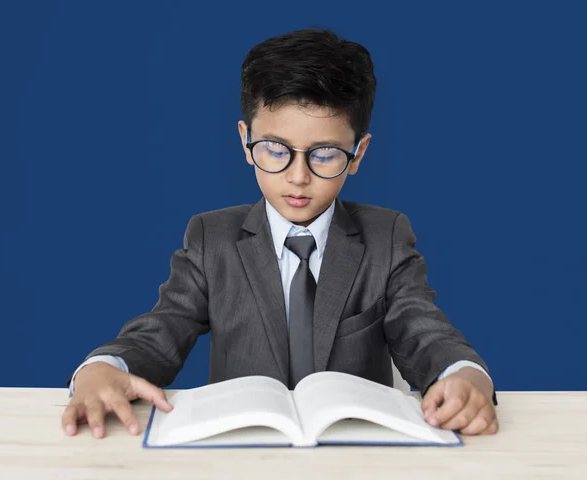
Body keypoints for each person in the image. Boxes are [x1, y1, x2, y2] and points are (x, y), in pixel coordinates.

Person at [62, 28, 498, 439]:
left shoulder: (386, 237)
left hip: (356, 452)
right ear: (245, 140)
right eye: (275, 150)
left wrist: (462, 373)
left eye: (325, 155)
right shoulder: (211, 238)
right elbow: (162, 330)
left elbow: (423, 331)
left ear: (358, 153)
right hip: (244, 450)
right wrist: (102, 367)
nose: (297, 177)